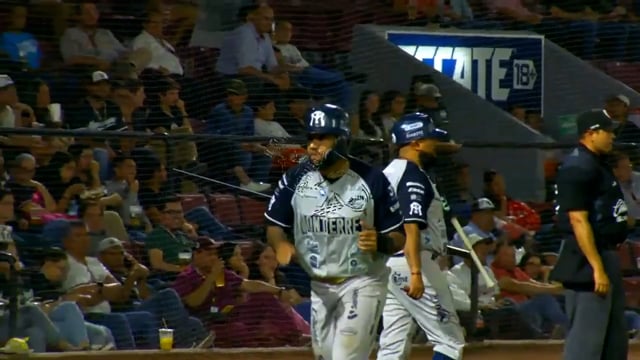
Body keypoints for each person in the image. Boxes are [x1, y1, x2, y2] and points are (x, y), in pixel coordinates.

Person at [264, 104, 406, 360]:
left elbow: (399, 236)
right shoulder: (296, 177)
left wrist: (381, 242)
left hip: (363, 281)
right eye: (310, 138)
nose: (312, 145)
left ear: (341, 140)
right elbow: (275, 224)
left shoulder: (372, 179)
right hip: (320, 286)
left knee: (345, 357)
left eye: (321, 138)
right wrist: (280, 245)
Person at [378, 113, 465, 360]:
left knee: (393, 346)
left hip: (388, 264)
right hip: (413, 261)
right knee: (449, 340)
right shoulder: (411, 175)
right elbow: (411, 226)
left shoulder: (387, 173)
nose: (434, 145)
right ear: (415, 143)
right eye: (429, 140)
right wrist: (416, 272)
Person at [550, 110, 630, 360]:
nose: (612, 136)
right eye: (607, 131)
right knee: (587, 341)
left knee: (613, 338)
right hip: (586, 258)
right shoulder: (578, 166)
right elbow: (577, 219)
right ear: (590, 133)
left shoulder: (596, 162)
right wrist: (596, 267)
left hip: (606, 252)